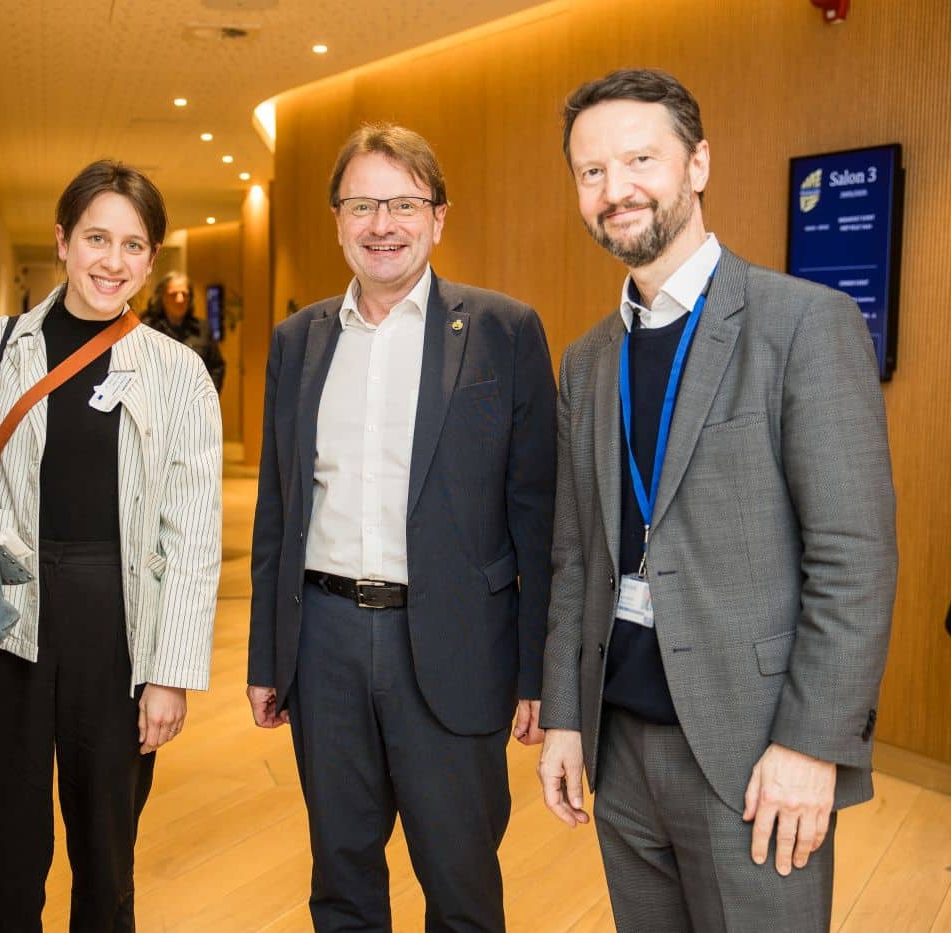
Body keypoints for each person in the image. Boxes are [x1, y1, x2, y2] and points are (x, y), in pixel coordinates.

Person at [537, 68, 897, 931]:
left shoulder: (801, 323)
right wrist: (564, 718)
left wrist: (813, 743)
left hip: (755, 747)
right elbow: (577, 557)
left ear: (697, 164)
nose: (616, 189)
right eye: (592, 171)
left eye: (640, 160)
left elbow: (853, 558)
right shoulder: (587, 362)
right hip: (619, 745)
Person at [248, 122, 557, 932]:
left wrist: (538, 673)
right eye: (362, 205)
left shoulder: (503, 331)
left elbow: (538, 517)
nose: (381, 224)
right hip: (324, 644)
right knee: (341, 878)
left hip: (455, 643)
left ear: (438, 217)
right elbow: (279, 508)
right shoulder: (299, 340)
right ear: (337, 220)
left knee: (461, 885)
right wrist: (267, 656)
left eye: (403, 204)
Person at [0, 159, 221, 932]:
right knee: (3, 853)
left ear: (151, 260)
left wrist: (170, 674)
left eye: (133, 245)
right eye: (96, 238)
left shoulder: (179, 373)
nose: (112, 261)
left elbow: (192, 534)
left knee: (107, 855)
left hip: (117, 631)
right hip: (1, 626)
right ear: (62, 240)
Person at [141, 273, 226, 391]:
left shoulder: (203, 329)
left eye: (184, 294)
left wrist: (208, 395)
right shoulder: (147, 329)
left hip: (195, 399)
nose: (180, 299)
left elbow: (217, 367)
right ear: (163, 298)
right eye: (173, 294)